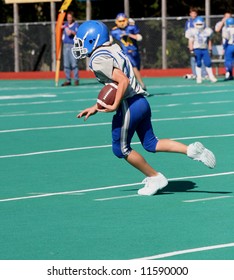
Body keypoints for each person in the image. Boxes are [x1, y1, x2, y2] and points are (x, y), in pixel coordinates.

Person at [72, 20, 216, 196]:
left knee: (121, 149)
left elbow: (122, 81)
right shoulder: (113, 48)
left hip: (128, 105)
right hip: (141, 102)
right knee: (151, 143)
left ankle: (155, 177)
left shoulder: (98, 59)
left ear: (92, 40)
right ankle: (191, 150)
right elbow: (117, 83)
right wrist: (97, 105)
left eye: (80, 41)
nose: (78, 45)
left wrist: (115, 104)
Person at [110, 13, 147, 91]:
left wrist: (129, 34)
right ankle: (141, 84)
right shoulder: (115, 31)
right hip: (126, 52)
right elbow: (110, 40)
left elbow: (139, 38)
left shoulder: (131, 28)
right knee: (134, 68)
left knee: (137, 68)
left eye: (123, 20)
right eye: (120, 21)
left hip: (135, 51)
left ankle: (135, 84)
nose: (122, 23)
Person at [185, 16, 217, 84]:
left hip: (204, 49)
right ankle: (199, 77)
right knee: (198, 63)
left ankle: (211, 76)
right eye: (198, 24)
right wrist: (191, 50)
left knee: (208, 62)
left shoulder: (207, 31)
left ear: (203, 23)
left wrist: (210, 49)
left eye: (200, 24)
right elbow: (190, 41)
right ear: (194, 24)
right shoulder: (192, 31)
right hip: (196, 49)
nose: (199, 26)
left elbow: (209, 40)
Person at [184, 7, 207, 79]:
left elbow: (204, 31)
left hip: (200, 42)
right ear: (190, 14)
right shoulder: (188, 22)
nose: (193, 15)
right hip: (192, 42)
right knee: (193, 57)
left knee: (201, 58)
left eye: (195, 13)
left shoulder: (201, 21)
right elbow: (187, 33)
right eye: (192, 13)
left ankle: (204, 74)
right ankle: (195, 73)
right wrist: (190, 44)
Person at [61, 11, 79, 86]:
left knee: (74, 63)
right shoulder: (65, 25)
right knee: (66, 64)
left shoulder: (75, 25)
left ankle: (76, 79)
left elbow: (77, 34)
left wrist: (72, 32)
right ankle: (68, 79)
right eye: (68, 17)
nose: (69, 19)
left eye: (70, 17)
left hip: (72, 45)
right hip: (65, 45)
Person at [215, 12, 233, 80]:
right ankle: (229, 74)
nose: (227, 18)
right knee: (228, 60)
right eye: (226, 16)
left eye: (229, 17)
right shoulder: (222, 24)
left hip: (229, 44)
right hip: (228, 45)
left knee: (229, 60)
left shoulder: (229, 27)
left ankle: (228, 74)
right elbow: (217, 30)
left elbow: (226, 38)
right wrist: (222, 22)